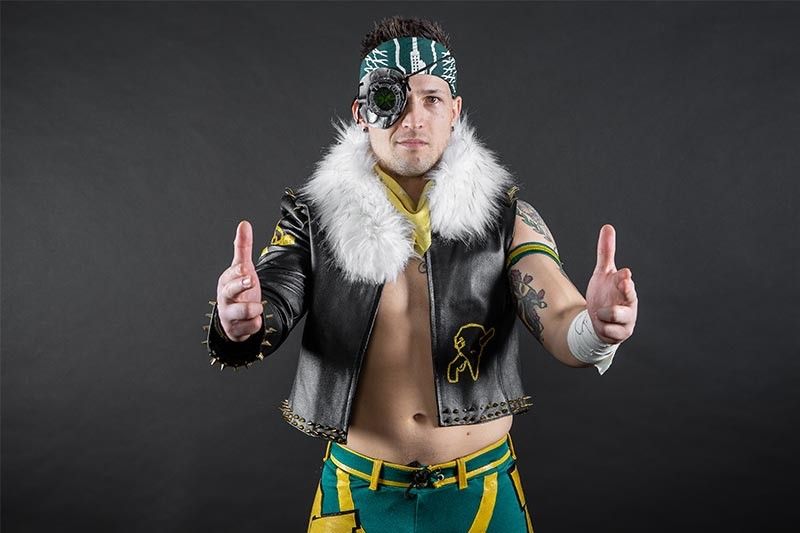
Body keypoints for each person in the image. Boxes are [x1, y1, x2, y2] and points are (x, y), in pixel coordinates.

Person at [203, 16, 638, 533]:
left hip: (482, 492)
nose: (413, 118)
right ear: (361, 112)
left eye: (432, 99)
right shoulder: (314, 218)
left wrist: (597, 328)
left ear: (455, 111)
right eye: (391, 97)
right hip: (356, 494)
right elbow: (274, 296)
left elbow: (560, 314)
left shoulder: (504, 217)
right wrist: (240, 319)